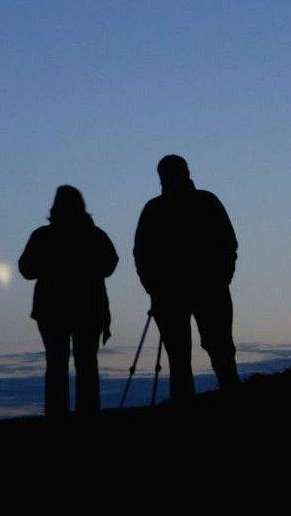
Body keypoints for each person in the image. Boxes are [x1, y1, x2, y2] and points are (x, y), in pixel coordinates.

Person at [133, 155, 239, 401]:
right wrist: (153, 287)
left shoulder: (158, 209)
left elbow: (142, 254)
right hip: (195, 290)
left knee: (203, 354)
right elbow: (228, 243)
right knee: (208, 353)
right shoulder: (204, 202)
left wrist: (153, 286)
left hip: (195, 290)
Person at [19, 186, 118, 416]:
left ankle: (56, 415)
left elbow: (26, 269)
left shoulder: (43, 236)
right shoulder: (94, 235)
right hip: (88, 308)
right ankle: (89, 413)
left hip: (53, 310)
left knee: (56, 365)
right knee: (86, 364)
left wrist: (51, 267)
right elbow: (110, 264)